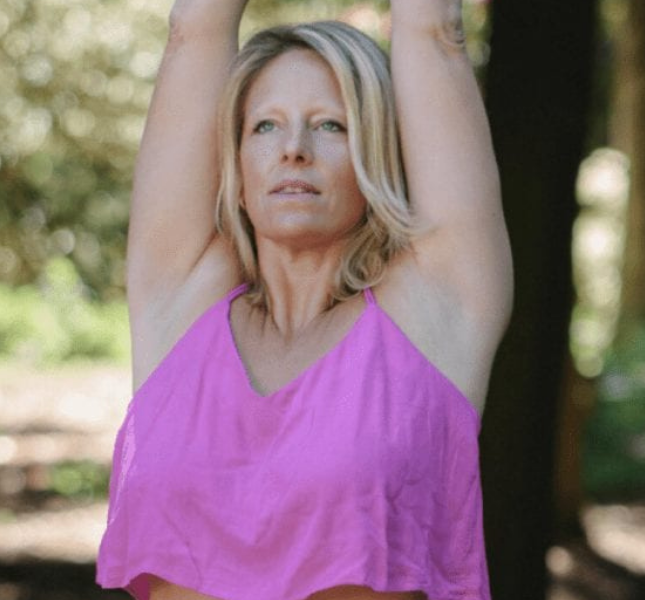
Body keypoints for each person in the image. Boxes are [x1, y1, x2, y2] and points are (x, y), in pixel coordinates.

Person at [96, 0, 511, 598]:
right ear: (234, 164)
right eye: (265, 125)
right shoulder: (179, 305)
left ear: (377, 155)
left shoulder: (435, 311)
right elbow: (194, 29)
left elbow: (435, 29)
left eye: (331, 125)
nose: (293, 148)